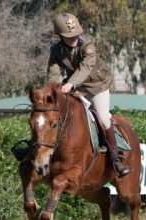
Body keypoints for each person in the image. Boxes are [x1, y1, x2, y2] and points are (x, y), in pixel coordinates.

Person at [47, 13, 130, 177]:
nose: (74, 38)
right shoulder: (55, 49)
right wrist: (54, 89)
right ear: (60, 36)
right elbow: (53, 72)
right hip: (75, 87)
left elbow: (85, 68)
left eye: (75, 34)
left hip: (97, 86)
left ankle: (115, 160)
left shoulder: (88, 46)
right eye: (69, 37)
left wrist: (70, 84)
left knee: (103, 117)